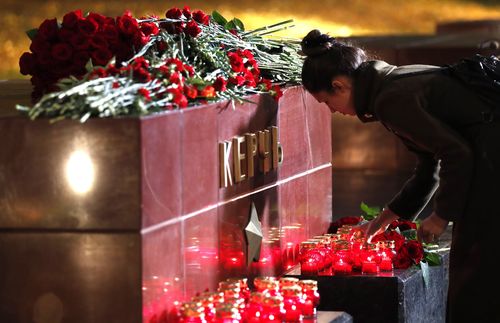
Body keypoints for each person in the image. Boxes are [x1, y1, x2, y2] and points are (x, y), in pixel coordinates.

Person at [300, 29, 500, 323]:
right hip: (488, 158)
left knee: (476, 278)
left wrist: (440, 216)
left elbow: (457, 154)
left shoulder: (390, 99)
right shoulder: (390, 82)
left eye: (326, 102)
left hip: (491, 163)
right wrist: (382, 221)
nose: (331, 111)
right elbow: (428, 166)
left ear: (339, 86)